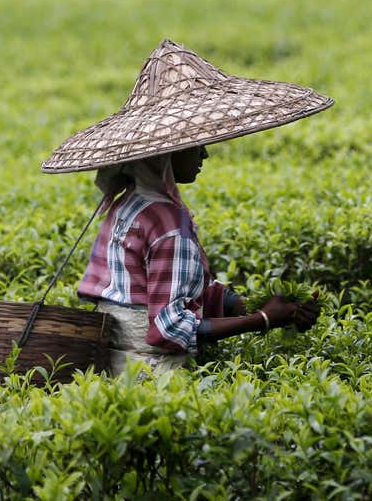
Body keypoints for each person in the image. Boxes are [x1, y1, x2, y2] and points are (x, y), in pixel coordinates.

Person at [42, 39, 332, 374]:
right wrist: (262, 319)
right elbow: (167, 330)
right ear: (167, 153)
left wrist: (254, 305)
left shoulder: (127, 203)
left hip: (112, 364)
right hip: (154, 373)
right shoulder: (166, 223)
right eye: (195, 145)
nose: (204, 154)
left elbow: (174, 288)